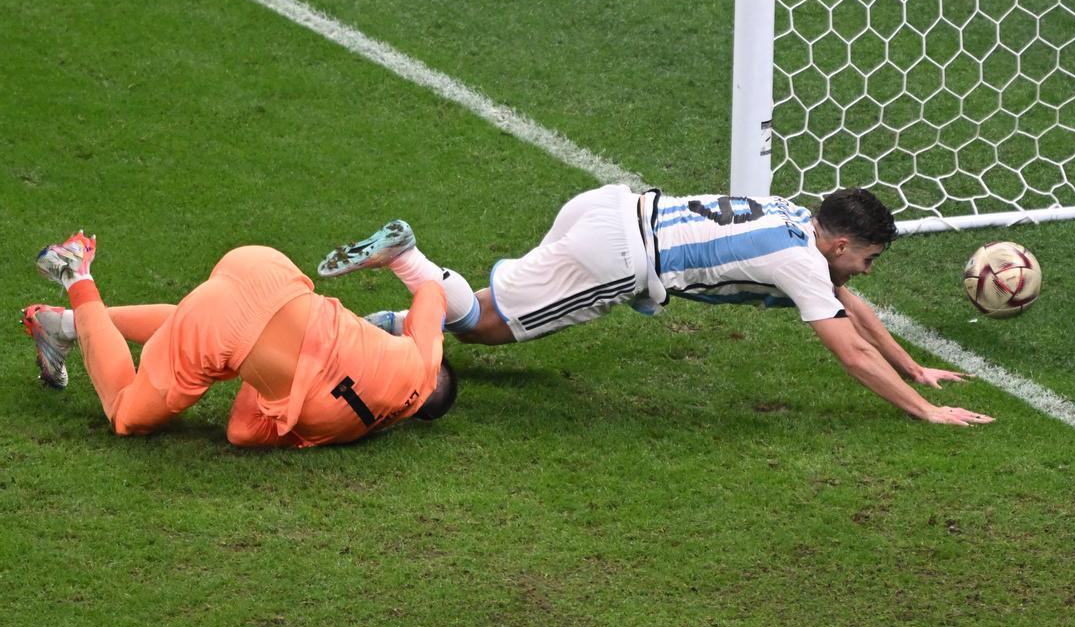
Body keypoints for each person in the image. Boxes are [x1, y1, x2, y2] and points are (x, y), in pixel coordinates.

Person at [318, 185, 994, 427]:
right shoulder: (800, 264)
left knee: (492, 311)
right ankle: (404, 273)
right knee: (485, 328)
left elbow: (848, 305)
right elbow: (847, 347)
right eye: (868, 258)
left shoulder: (796, 219)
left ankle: (397, 305)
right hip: (620, 258)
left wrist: (914, 369)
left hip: (611, 206)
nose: (865, 271)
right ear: (842, 241)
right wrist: (926, 412)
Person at [22, 231, 457, 447]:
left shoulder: (418, 364)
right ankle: (75, 274)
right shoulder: (331, 432)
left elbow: (433, 293)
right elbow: (241, 431)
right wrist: (266, 378)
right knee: (125, 413)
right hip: (220, 326)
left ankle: (63, 326)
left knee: (202, 329)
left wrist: (390, 324)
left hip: (266, 266)